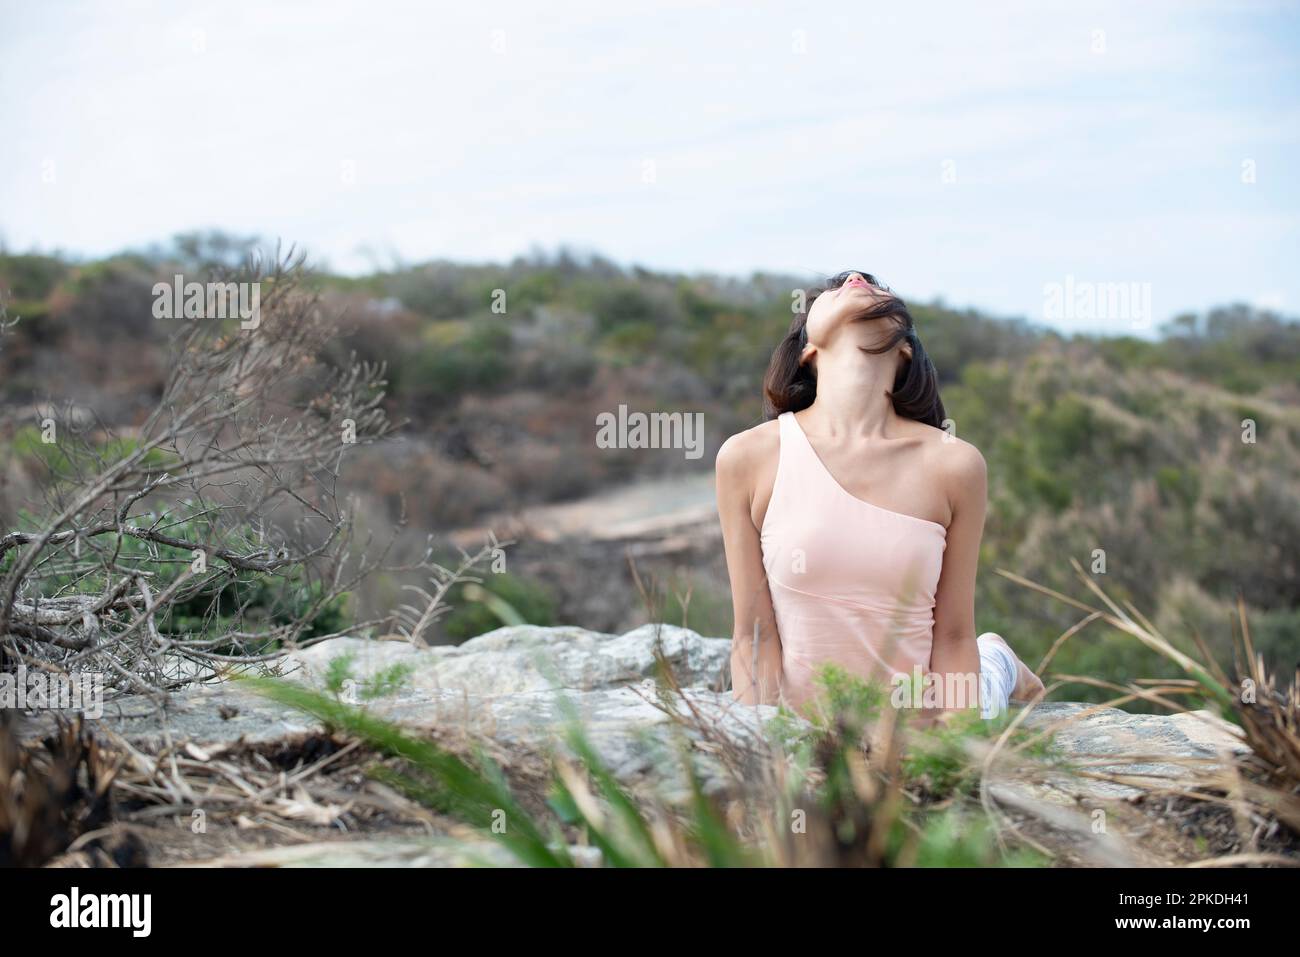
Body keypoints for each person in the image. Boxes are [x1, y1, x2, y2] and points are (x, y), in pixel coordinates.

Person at [715, 270, 1044, 720]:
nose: (854, 278)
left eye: (875, 286)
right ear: (809, 349)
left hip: (918, 724)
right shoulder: (748, 456)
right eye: (836, 287)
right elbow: (754, 637)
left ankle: (997, 662)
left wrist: (953, 750)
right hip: (811, 736)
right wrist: (759, 751)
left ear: (905, 347)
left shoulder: (955, 464)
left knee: (980, 682)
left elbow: (952, 635)